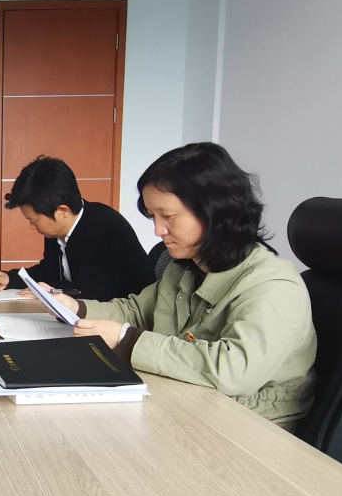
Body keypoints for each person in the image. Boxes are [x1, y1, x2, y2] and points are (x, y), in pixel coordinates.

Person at [46, 143, 317, 428]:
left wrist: (129, 340)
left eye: (169, 217)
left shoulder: (274, 285)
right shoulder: (184, 268)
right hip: (189, 402)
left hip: (252, 426)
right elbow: (136, 311)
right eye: (153, 217)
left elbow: (234, 372)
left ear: (215, 212)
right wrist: (77, 308)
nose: (158, 230)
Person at [0, 156, 153, 301]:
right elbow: (49, 272)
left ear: (62, 211)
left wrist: (50, 291)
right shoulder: (57, 230)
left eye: (34, 220)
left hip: (128, 319)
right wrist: (9, 278)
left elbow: (93, 294)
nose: (32, 227)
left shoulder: (105, 228)